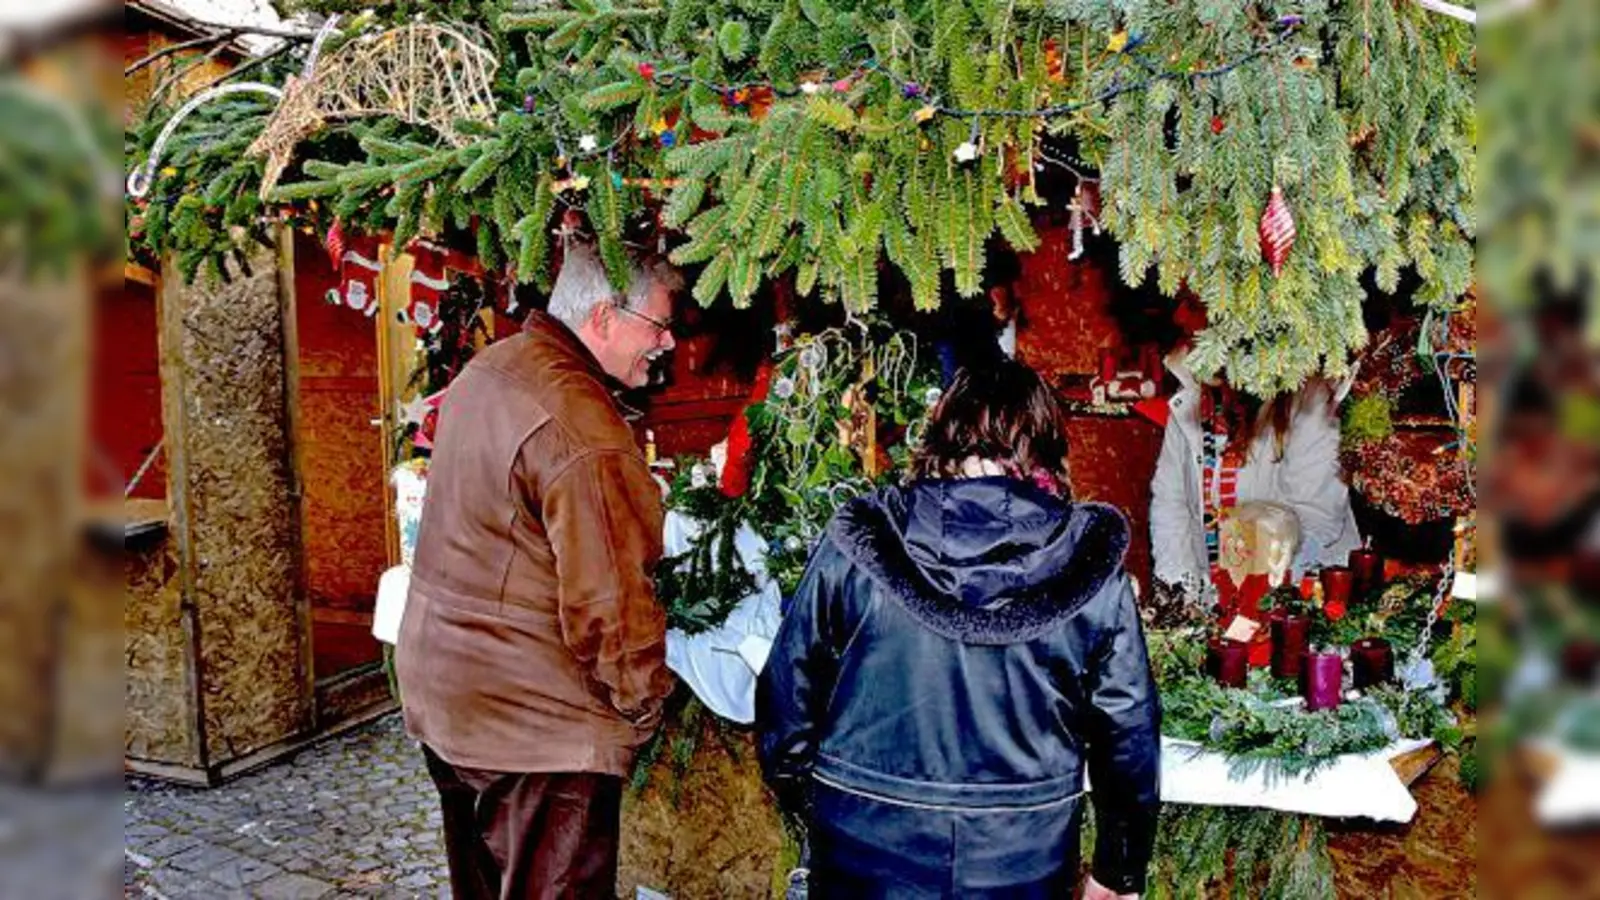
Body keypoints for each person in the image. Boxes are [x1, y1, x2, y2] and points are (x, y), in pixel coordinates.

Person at [757, 359, 1162, 899]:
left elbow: (787, 701)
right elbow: (1127, 734)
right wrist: (1118, 871)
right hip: (1021, 857)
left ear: (943, 431)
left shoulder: (860, 545)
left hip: (864, 843)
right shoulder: (1088, 568)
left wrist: (817, 798)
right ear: (1045, 442)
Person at [395, 243, 683, 900]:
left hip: (451, 696)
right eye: (659, 325)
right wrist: (641, 707)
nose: (667, 343)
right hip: (535, 728)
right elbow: (612, 600)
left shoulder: (495, 365)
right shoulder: (580, 425)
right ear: (606, 316)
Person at [1149, 347, 1361, 623]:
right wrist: (1182, 603)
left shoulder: (1307, 391)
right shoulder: (1190, 392)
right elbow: (1171, 505)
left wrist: (1260, 603)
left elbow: (1318, 519)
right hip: (1218, 602)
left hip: (1298, 605)